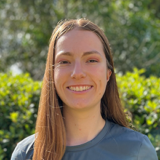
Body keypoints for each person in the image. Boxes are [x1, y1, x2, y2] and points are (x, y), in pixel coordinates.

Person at [11, 19, 158, 160]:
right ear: (52, 75)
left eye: (91, 60)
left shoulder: (137, 150)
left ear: (108, 74)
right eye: (65, 61)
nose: (78, 73)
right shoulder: (26, 154)